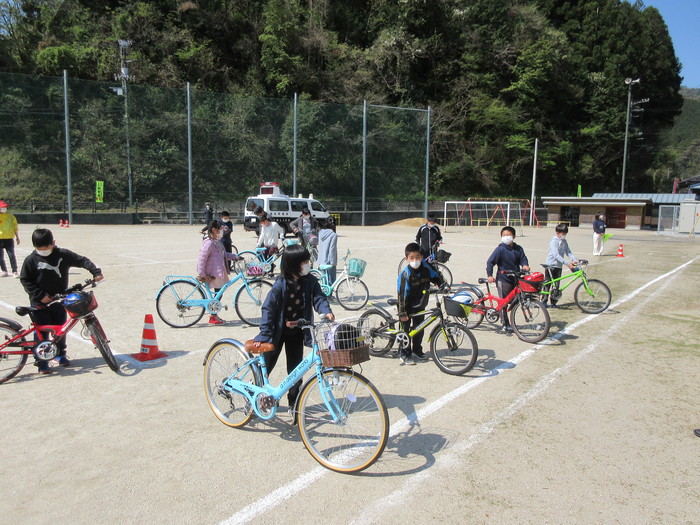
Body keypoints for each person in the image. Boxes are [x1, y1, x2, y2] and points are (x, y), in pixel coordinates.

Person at [252, 244, 334, 419]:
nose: (308, 264)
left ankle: (293, 402)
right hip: (276, 332)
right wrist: (264, 334)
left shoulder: (310, 280)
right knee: (266, 366)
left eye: (307, 261)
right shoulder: (279, 285)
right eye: (304, 261)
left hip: (297, 332)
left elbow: (319, 297)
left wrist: (325, 310)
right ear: (293, 264)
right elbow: (268, 310)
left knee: (296, 371)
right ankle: (255, 394)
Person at [19, 228, 103, 374]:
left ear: (53, 243)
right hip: (39, 303)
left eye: (47, 247)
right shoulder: (30, 260)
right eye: (40, 248)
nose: (44, 250)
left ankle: (59, 354)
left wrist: (96, 272)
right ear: (34, 246)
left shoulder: (62, 255)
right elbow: (25, 280)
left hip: (60, 300)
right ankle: (42, 362)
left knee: (61, 329)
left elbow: (82, 260)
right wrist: (40, 295)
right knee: (42, 332)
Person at [397, 242, 446, 366]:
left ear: (422, 257)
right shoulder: (405, 274)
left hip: (420, 304)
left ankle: (417, 350)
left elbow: (436, 276)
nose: (415, 260)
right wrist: (402, 313)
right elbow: (401, 296)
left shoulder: (426, 267)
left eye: (418, 257)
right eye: (412, 258)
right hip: (407, 306)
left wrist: (443, 285)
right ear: (407, 259)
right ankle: (404, 353)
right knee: (406, 330)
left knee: (419, 328)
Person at [486, 226, 530, 333]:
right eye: (504, 235)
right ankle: (505, 323)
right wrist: (490, 275)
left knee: (515, 300)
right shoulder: (500, 249)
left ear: (514, 236)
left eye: (508, 235)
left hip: (515, 278)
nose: (506, 237)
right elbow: (490, 262)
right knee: (503, 302)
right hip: (503, 279)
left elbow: (523, 259)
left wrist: (525, 266)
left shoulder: (518, 249)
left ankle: (510, 320)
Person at [197, 220, 239, 325]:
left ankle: (214, 315)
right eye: (220, 229)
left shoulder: (216, 241)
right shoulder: (209, 243)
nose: (221, 231)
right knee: (217, 295)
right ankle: (213, 316)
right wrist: (202, 274)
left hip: (218, 272)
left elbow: (224, 254)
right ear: (214, 230)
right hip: (213, 274)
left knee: (218, 294)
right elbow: (201, 259)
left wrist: (234, 257)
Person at [542, 223, 578, 308]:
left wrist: (574, 259)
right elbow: (556, 255)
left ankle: (553, 302)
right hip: (550, 265)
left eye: (565, 234)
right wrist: (567, 263)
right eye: (562, 233)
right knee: (547, 284)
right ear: (557, 233)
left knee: (557, 285)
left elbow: (568, 252)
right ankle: (544, 301)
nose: (564, 235)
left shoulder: (564, 241)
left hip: (558, 266)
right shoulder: (554, 241)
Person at [0, 200, 20, 277]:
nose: (4, 208)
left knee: (11, 255)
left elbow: (15, 227)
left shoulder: (11, 217)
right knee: (0, 257)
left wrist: (17, 237)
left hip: (9, 238)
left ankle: (15, 271)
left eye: (4, 207)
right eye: (2, 207)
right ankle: (4, 270)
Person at [317, 218, 338, 284]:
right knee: (331, 281)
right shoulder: (333, 235)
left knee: (324, 281)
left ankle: (323, 293)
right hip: (329, 261)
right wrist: (333, 262)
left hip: (321, 260)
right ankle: (330, 294)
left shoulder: (320, 233)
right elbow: (332, 249)